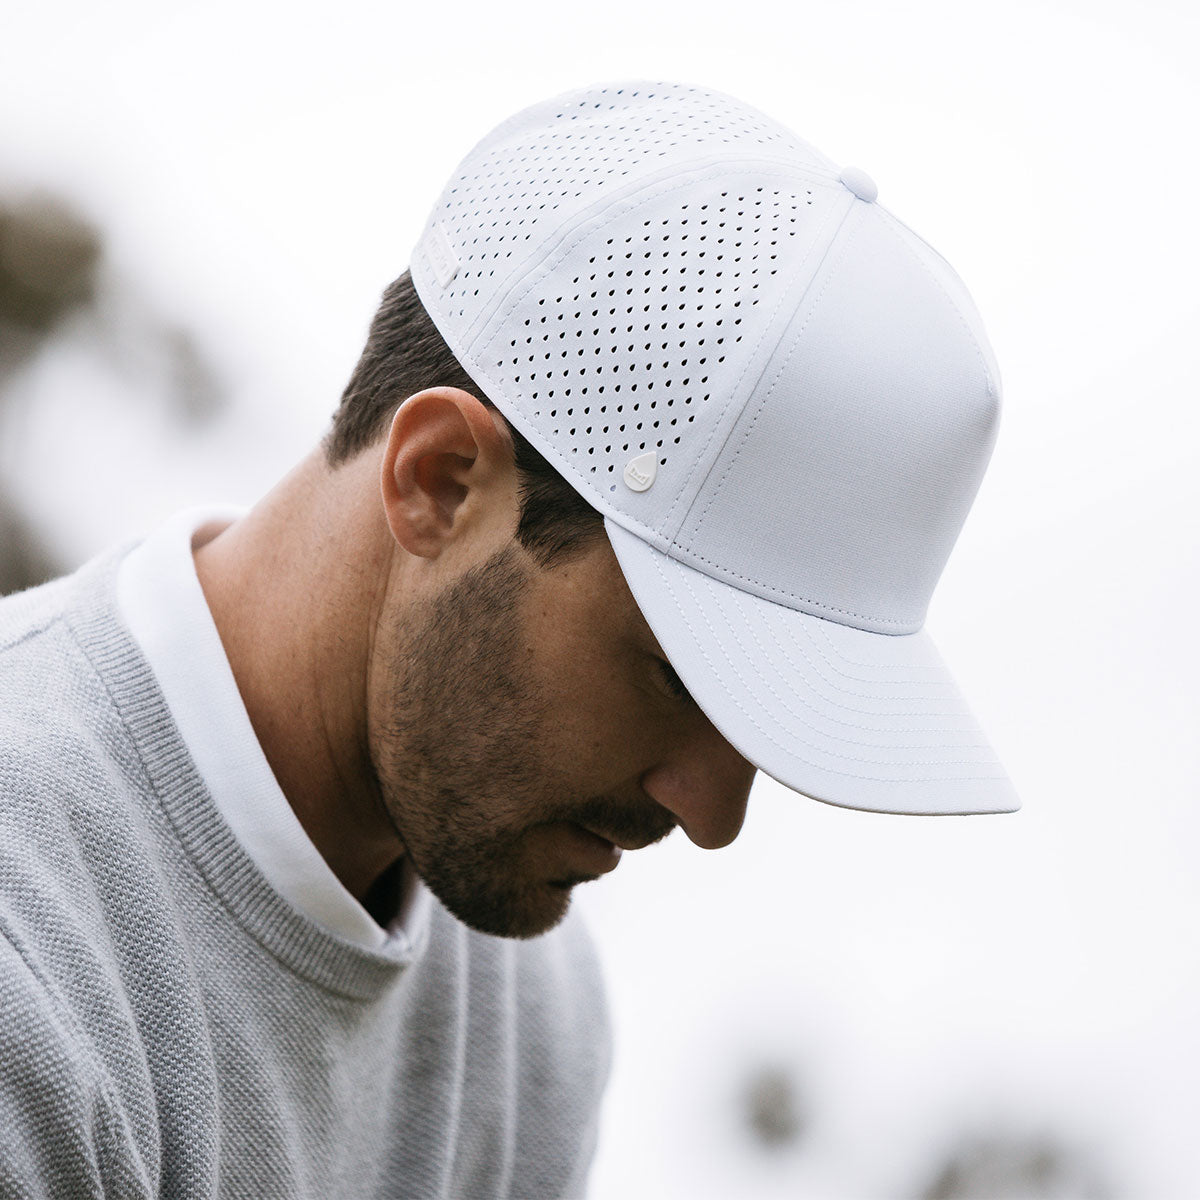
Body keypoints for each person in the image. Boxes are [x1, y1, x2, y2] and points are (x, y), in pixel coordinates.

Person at [0, 82, 1018, 1198]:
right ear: (441, 482)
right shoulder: (28, 950)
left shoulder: (533, 1005)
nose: (712, 815)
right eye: (681, 677)